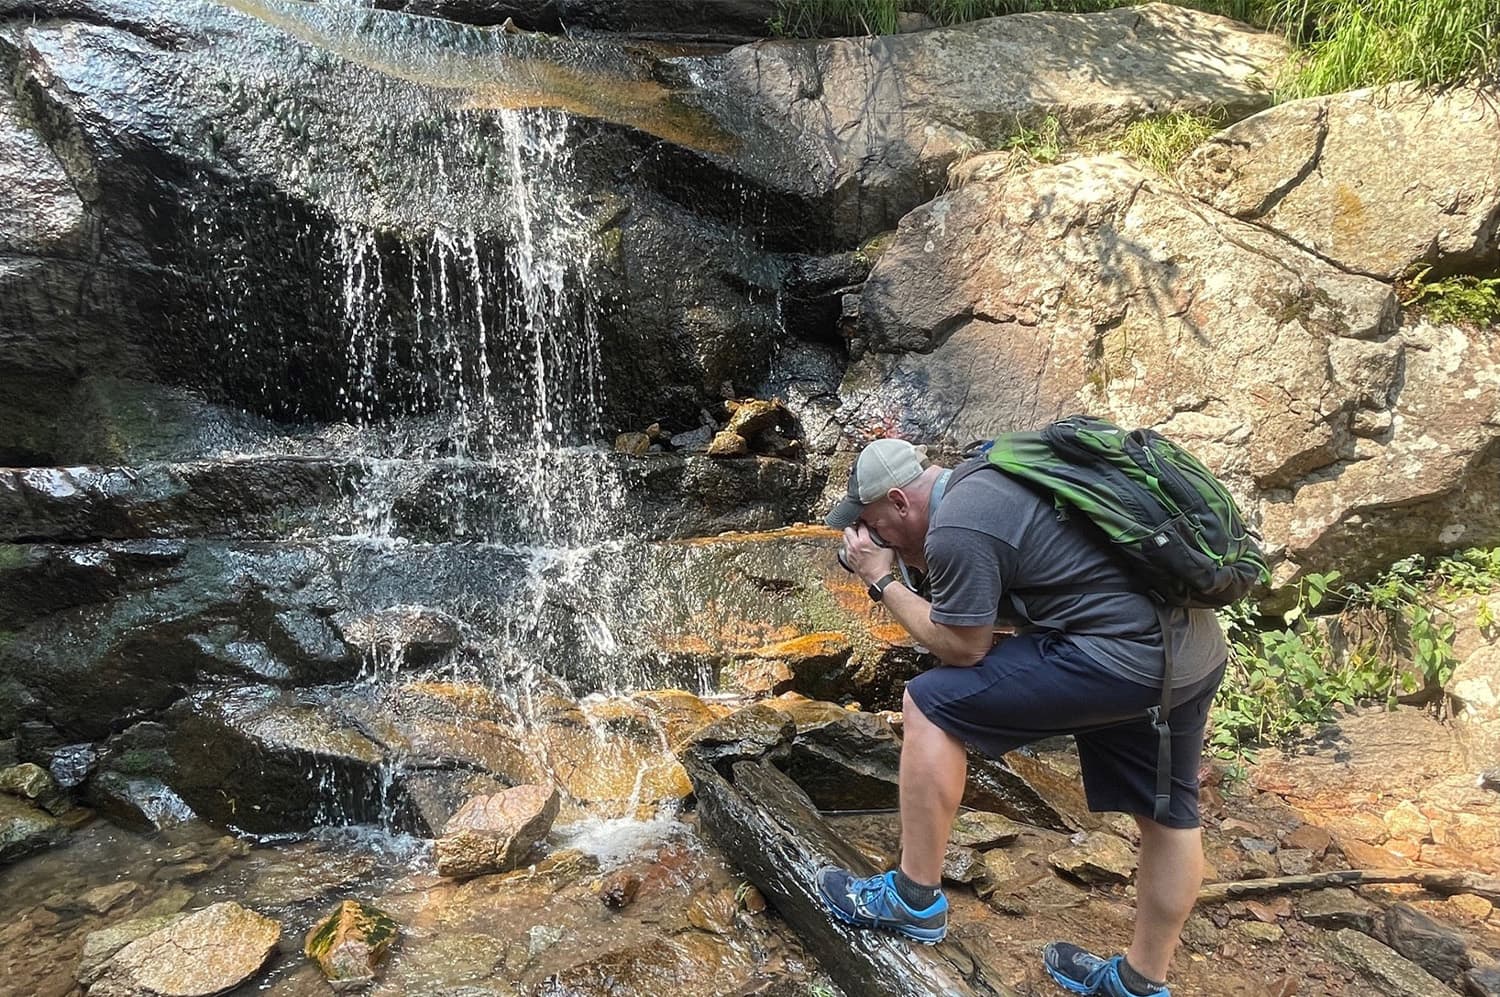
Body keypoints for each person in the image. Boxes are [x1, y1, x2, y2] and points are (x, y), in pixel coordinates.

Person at [815, 437, 1228, 997]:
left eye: (873, 524)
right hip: (1188, 652)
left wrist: (881, 579)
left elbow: (963, 648)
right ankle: (1138, 981)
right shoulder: (990, 479)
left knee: (929, 702)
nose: (872, 538)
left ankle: (912, 899)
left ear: (899, 501)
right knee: (1170, 815)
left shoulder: (960, 524)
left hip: (1120, 657)